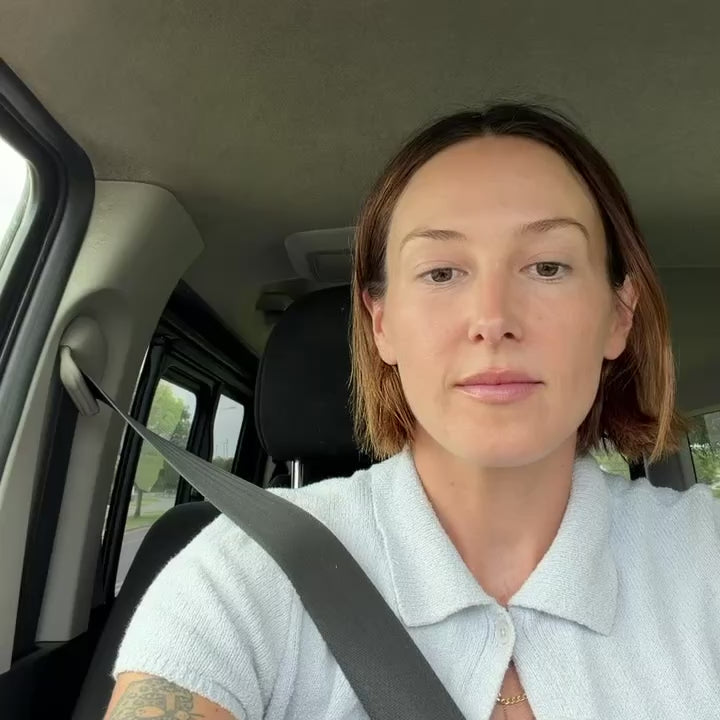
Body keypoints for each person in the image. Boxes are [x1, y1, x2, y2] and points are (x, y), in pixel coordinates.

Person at [104, 104, 720, 720]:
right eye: (442, 272)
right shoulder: (245, 572)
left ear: (619, 315)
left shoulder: (704, 558)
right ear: (382, 324)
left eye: (548, 266)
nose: (493, 319)